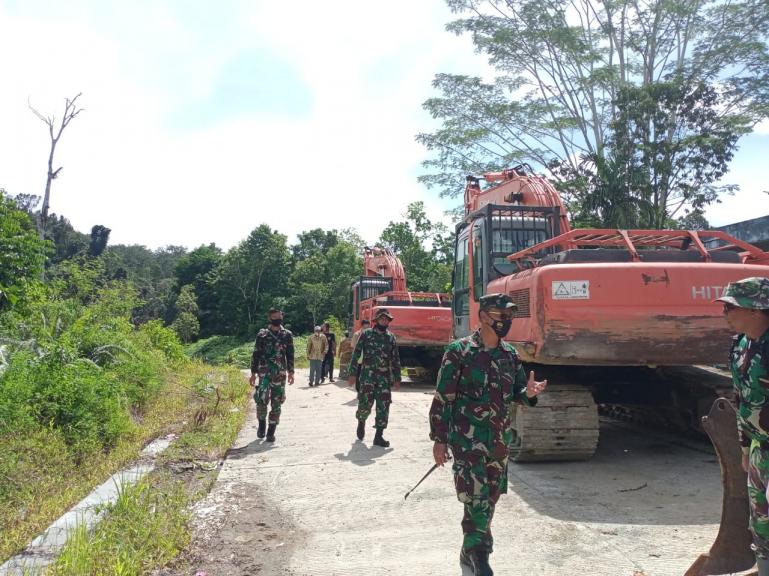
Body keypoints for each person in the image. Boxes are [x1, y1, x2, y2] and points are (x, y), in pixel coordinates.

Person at [429, 293, 548, 576]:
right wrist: (439, 438)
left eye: (509, 316)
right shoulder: (459, 351)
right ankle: (480, 557)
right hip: (467, 441)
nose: (505, 321)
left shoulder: (509, 355)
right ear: (483, 316)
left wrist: (528, 394)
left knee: (490, 498)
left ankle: (469, 550)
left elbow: (517, 392)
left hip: (498, 443)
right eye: (500, 316)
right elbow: (443, 397)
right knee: (476, 497)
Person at [716, 277, 769, 575]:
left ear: (756, 309)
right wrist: (746, 447)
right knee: (760, 522)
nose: (725, 312)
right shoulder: (740, 346)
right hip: (761, 449)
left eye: (731, 306)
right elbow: (743, 399)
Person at [347, 310, 401, 447]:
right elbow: (356, 353)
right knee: (365, 402)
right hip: (367, 377)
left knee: (384, 406)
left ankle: (379, 435)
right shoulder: (366, 334)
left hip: (384, 378)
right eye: (382, 319)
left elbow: (395, 359)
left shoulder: (391, 338)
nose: (384, 321)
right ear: (376, 320)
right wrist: (352, 374)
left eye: (387, 319)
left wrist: (397, 378)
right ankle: (361, 422)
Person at [249, 308, 295, 443]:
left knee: (277, 403)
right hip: (264, 374)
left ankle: (271, 431)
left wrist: (291, 372)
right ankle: (262, 425)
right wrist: (253, 373)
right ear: (270, 318)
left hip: (280, 375)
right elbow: (256, 354)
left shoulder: (287, 335)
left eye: (279, 316)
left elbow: (290, 355)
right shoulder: (262, 334)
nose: (277, 319)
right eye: (274, 317)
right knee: (261, 400)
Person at [346, 319, 370, 390]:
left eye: (368, 327)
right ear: (362, 326)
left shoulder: (370, 335)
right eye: (366, 327)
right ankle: (358, 390)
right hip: (359, 359)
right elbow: (353, 346)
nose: (367, 328)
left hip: (367, 359)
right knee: (358, 375)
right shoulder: (357, 334)